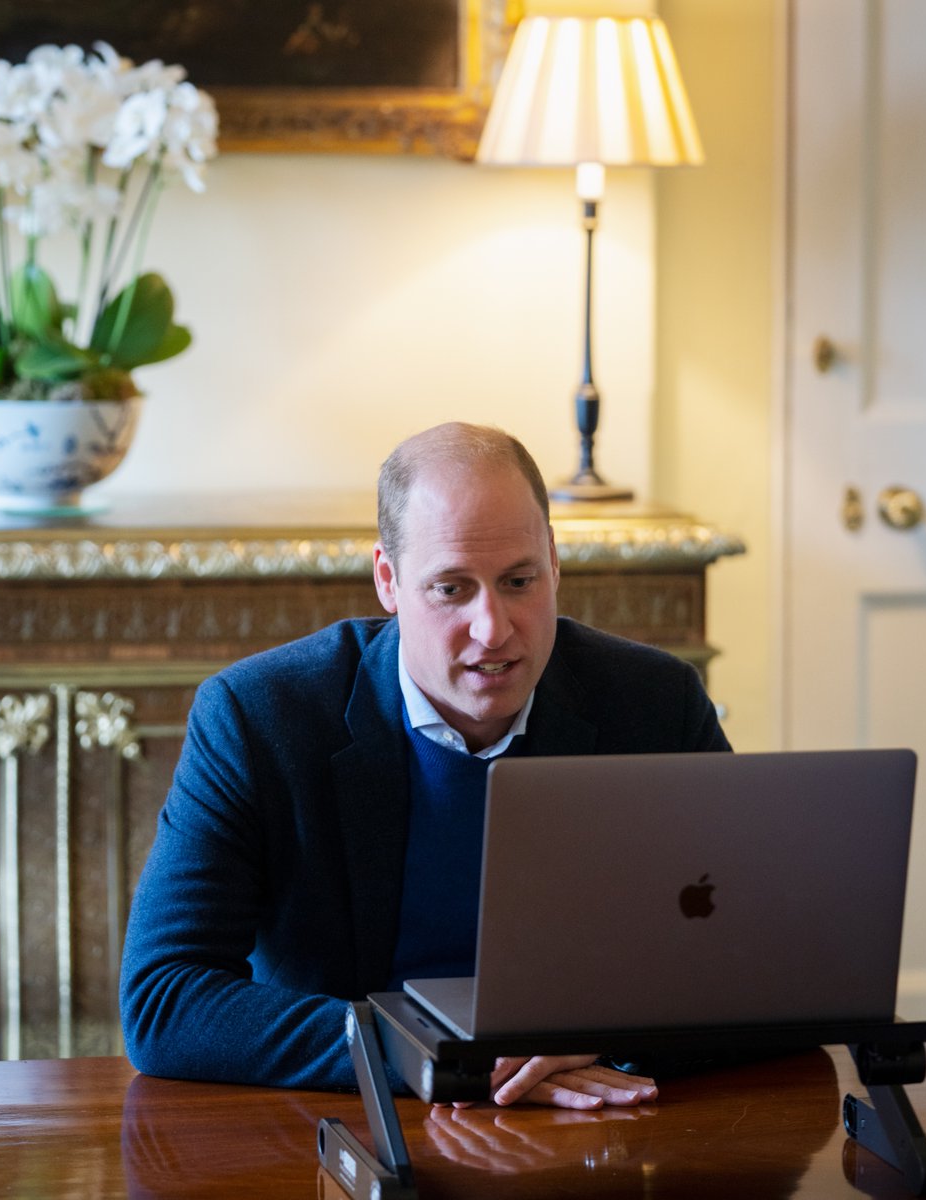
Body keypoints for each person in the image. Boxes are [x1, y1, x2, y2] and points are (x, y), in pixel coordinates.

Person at [120, 422, 730, 1110]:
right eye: (450, 589)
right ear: (389, 579)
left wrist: (613, 1032)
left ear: (555, 563)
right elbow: (165, 998)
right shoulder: (258, 717)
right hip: (354, 1118)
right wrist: (434, 1052)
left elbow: (763, 961)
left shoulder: (656, 703)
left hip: (604, 1117)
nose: (492, 628)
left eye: (519, 581)